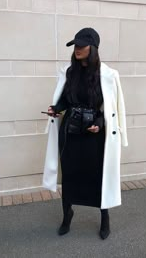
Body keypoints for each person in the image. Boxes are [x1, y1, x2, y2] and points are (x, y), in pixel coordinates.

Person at [42, 27, 128, 240]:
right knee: (70, 176)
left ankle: (104, 218)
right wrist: (57, 108)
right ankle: (67, 215)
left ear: (93, 48)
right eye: (75, 45)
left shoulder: (107, 75)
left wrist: (99, 123)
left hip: (93, 136)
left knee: (98, 176)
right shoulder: (69, 72)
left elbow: (109, 108)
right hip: (70, 132)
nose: (77, 49)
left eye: (82, 45)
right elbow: (64, 99)